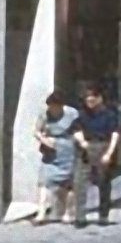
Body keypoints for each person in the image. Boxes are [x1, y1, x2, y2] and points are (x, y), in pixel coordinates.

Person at [72, 82, 121, 228]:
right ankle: (80, 217)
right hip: (86, 148)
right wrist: (82, 141)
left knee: (103, 183)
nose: (90, 102)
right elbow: (76, 129)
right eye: (87, 99)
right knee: (79, 183)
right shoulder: (82, 114)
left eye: (92, 99)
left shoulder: (109, 114)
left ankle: (103, 215)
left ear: (99, 98)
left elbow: (115, 134)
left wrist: (109, 153)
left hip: (103, 146)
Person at [32, 90, 81, 225]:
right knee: (43, 181)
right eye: (50, 106)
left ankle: (68, 213)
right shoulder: (44, 114)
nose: (52, 110)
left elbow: (78, 130)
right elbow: (36, 131)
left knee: (67, 184)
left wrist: (81, 143)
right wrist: (44, 140)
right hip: (50, 151)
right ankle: (41, 213)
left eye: (55, 107)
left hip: (67, 150)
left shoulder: (72, 113)